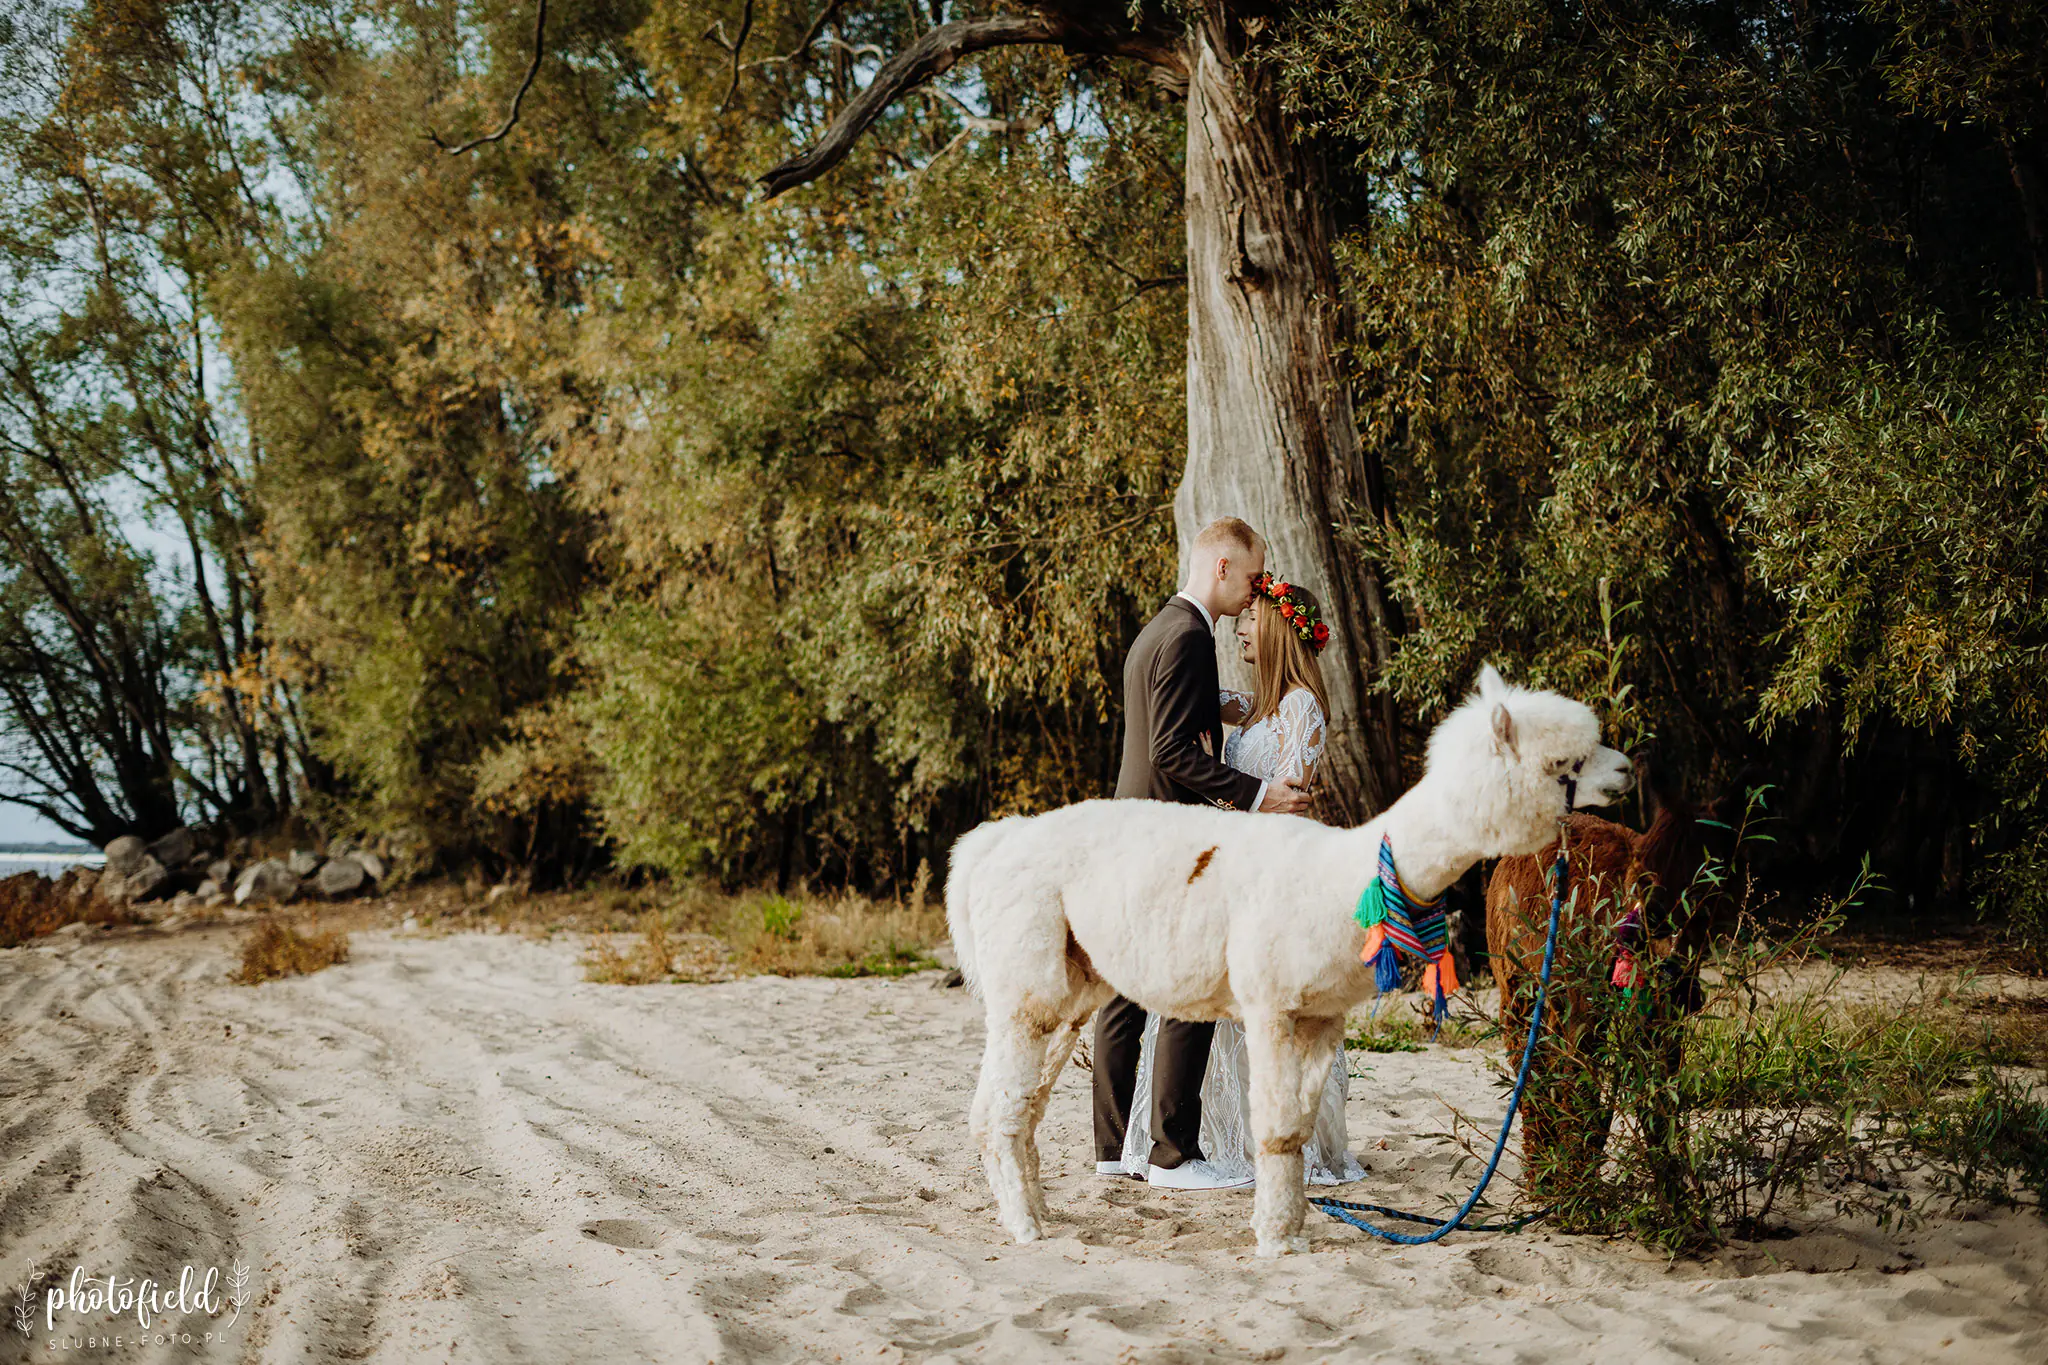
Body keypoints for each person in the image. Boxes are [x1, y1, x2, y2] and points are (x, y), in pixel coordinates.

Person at [1117, 574, 1368, 1188]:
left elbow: (1288, 801)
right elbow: (1192, 703)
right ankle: (1205, 1141)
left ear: (1278, 627)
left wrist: (1237, 810)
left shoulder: (1302, 708)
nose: (1238, 629)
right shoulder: (1256, 706)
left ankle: (1272, 1139)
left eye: (1249, 620)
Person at [1094, 519, 1315, 1192]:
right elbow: (1171, 752)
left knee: (1127, 991)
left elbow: (1166, 728)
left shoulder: (1155, 631)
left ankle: (1112, 1151)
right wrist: (1257, 795)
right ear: (1221, 566)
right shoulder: (1189, 635)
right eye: (1251, 576)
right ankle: (1171, 1152)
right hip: (1170, 836)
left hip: (1133, 828)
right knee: (1187, 986)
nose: (1255, 591)